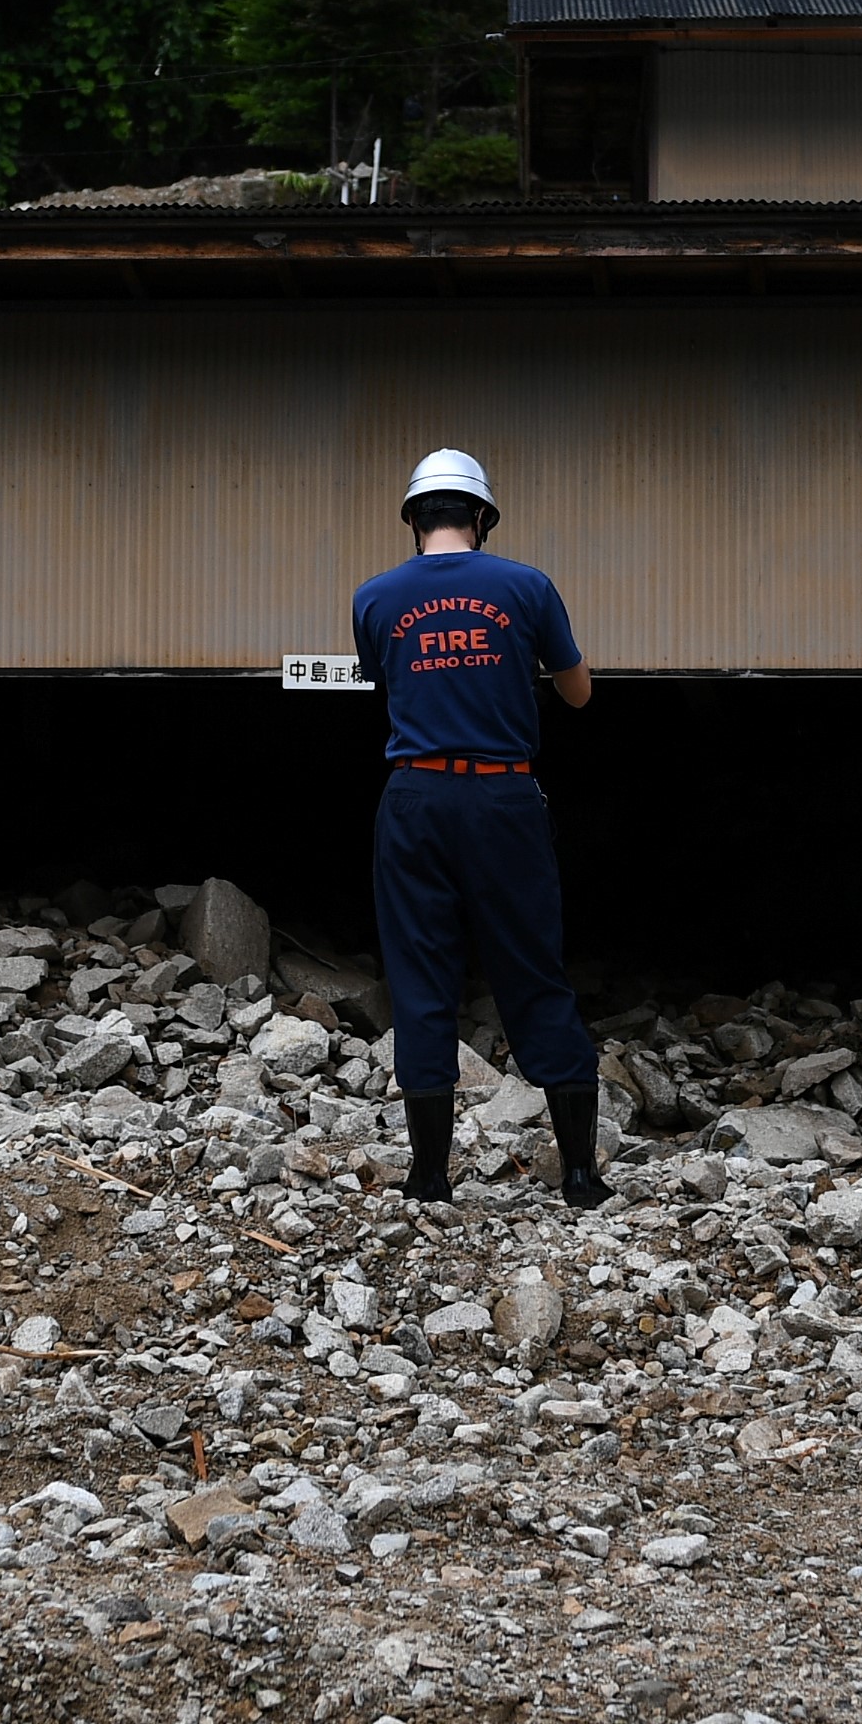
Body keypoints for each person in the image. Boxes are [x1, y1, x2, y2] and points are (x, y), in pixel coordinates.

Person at [351, 446, 606, 1208]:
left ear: (413, 520)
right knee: (532, 969)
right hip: (503, 797)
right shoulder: (526, 587)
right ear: (482, 518)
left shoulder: (375, 597)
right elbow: (581, 694)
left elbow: (383, 681)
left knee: (421, 977)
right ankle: (581, 1177)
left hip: (415, 798)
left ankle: (430, 1177)